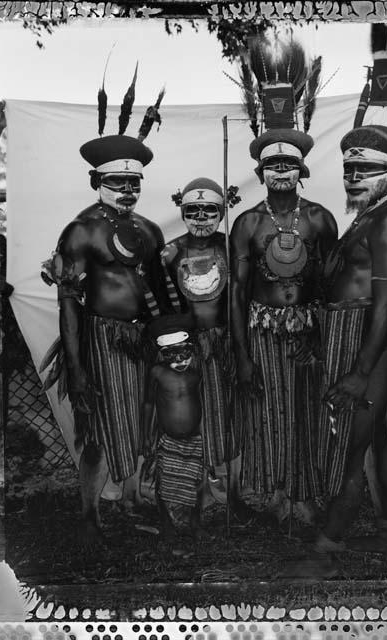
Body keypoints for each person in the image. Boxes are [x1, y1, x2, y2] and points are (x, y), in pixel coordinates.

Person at [42, 133, 170, 545]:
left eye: (134, 184)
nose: (128, 191)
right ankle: (89, 516)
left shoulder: (149, 230)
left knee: (141, 423)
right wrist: (77, 368)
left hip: (143, 340)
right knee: (99, 429)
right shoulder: (80, 231)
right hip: (99, 339)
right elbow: (68, 304)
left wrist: (169, 342)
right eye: (118, 183)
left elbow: (162, 294)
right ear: (96, 180)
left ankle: (132, 500)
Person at [308, 124, 387, 576]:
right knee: (375, 438)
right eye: (349, 168)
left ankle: (327, 544)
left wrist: (360, 370)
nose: (354, 175)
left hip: (365, 341)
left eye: (367, 169)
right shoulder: (368, 216)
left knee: (350, 447)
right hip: (351, 335)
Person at [230, 129, 338, 522]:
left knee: (306, 409)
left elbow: (331, 285)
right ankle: (276, 494)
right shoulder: (247, 224)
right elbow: (238, 293)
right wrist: (242, 356)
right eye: (272, 165)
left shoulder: (320, 219)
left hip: (309, 327)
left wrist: (323, 337)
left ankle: (305, 495)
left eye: (289, 164)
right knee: (269, 410)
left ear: (301, 169)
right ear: (260, 173)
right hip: (262, 330)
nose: (281, 170)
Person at [161, 177, 248, 518]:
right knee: (190, 418)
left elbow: (239, 298)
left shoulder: (231, 249)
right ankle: (193, 493)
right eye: (192, 210)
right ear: (181, 211)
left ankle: (232, 493)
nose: (200, 217)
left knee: (227, 415)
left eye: (209, 209)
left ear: (222, 211)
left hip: (224, 344)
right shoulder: (170, 252)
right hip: (185, 348)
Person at [144, 314, 205, 542]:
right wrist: (146, 436)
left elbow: (202, 403)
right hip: (167, 438)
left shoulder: (196, 374)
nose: (179, 359)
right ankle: (166, 523)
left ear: (192, 349)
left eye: (184, 353)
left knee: (195, 481)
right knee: (164, 482)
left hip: (194, 438)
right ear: (161, 353)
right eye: (171, 354)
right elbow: (148, 403)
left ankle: (194, 521)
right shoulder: (157, 373)